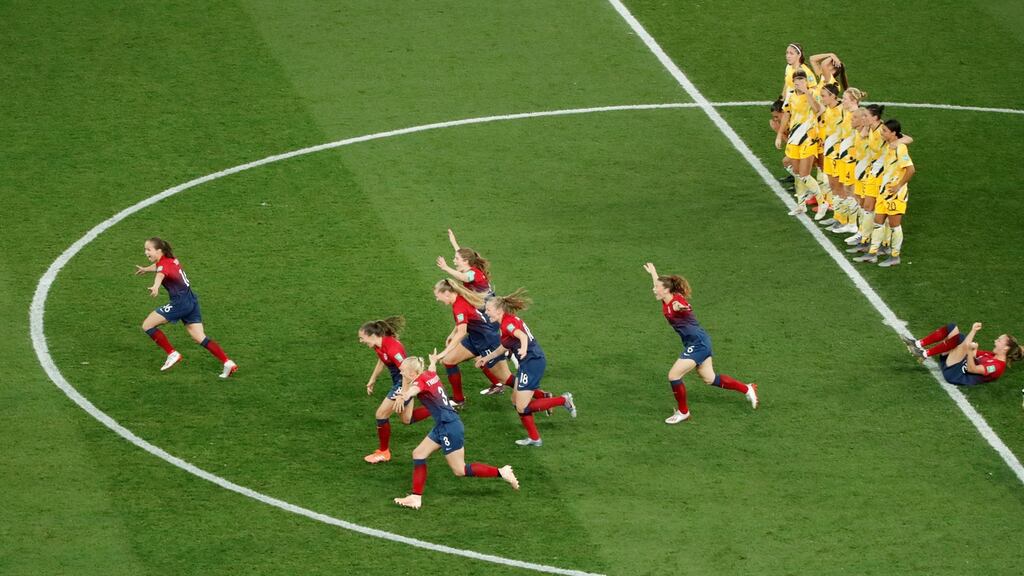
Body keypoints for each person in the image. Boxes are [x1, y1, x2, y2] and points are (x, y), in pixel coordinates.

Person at [392, 352, 519, 510]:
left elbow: (412, 391)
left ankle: (501, 472)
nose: (400, 372)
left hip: (449, 427)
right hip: (444, 424)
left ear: (412, 373)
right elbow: (432, 370)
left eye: (403, 370)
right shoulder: (428, 374)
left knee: (459, 469)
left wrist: (402, 396)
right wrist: (433, 361)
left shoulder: (418, 383)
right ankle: (415, 497)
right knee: (418, 454)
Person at [642, 263, 758, 424]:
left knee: (673, 375)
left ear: (666, 290)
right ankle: (747, 388)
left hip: (698, 344)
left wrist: (681, 307)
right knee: (710, 379)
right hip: (698, 341)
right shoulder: (666, 299)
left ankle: (684, 412)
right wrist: (653, 273)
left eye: (657, 287)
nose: (654, 289)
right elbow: (659, 285)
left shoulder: (676, 302)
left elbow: (682, 307)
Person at [475, 289, 576, 447]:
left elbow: (521, 336)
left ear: (499, 310)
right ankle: (535, 438)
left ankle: (563, 400)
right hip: (528, 363)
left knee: (523, 407)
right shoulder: (506, 321)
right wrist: (486, 358)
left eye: (489, 310)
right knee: (516, 401)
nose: (487, 313)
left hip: (532, 363)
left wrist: (522, 348)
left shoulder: (507, 324)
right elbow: (503, 347)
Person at [134, 237, 237, 378]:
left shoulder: (163, 266)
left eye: (148, 249)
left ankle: (172, 353)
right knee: (199, 337)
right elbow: (160, 267)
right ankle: (227, 362)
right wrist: (146, 269)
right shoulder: (171, 260)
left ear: (159, 250)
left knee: (147, 325)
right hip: (191, 300)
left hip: (180, 303)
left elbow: (160, 273)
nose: (146, 252)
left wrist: (156, 286)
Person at [436, 229, 513, 395]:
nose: (454, 260)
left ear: (466, 261)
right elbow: (463, 263)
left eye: (457, 259)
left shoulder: (472, 274)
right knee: (479, 358)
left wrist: (446, 268)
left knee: (503, 375)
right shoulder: (469, 267)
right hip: (483, 317)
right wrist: (454, 242)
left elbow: (464, 278)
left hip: (487, 318)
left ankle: (508, 350)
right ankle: (497, 378)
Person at [357, 317, 431, 464]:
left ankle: (384, 452)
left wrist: (403, 394)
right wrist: (373, 379)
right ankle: (440, 406)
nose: (361, 341)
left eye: (362, 338)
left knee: (381, 414)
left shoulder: (393, 349)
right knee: (406, 419)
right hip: (401, 381)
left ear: (372, 335)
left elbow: (407, 371)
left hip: (405, 381)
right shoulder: (379, 345)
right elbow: (382, 360)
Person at [432, 279, 514, 407]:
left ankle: (540, 395)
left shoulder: (458, 305)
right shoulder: (459, 300)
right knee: (449, 361)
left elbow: (462, 332)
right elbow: (465, 320)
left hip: (488, 342)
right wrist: (453, 333)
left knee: (505, 379)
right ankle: (459, 400)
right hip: (475, 339)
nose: (437, 299)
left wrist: (442, 353)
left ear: (447, 293)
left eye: (438, 296)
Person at [853, 119, 916, 267]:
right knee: (878, 222)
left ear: (893, 133)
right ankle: (872, 254)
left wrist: (899, 186)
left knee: (894, 226)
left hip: (895, 195)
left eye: (885, 131)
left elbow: (910, 169)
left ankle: (895, 256)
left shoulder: (900, 148)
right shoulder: (889, 146)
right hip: (883, 192)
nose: (882, 133)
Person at [902, 322, 1023, 386]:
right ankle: (918, 344)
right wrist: (971, 349)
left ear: (1006, 348)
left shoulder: (996, 367)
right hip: (955, 364)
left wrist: (973, 335)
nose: (995, 341)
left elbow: (972, 368)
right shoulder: (991, 355)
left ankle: (924, 354)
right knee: (952, 328)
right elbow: (972, 351)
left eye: (999, 340)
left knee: (961, 338)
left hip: (955, 375)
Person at [776, 70, 824, 215]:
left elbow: (817, 110)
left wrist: (807, 93)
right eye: (796, 81)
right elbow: (786, 115)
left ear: (806, 82)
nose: (798, 83)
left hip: (808, 138)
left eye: (801, 81)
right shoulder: (790, 95)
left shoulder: (813, 94)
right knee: (797, 172)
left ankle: (822, 203)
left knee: (804, 174)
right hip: (794, 137)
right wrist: (779, 135)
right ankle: (801, 205)